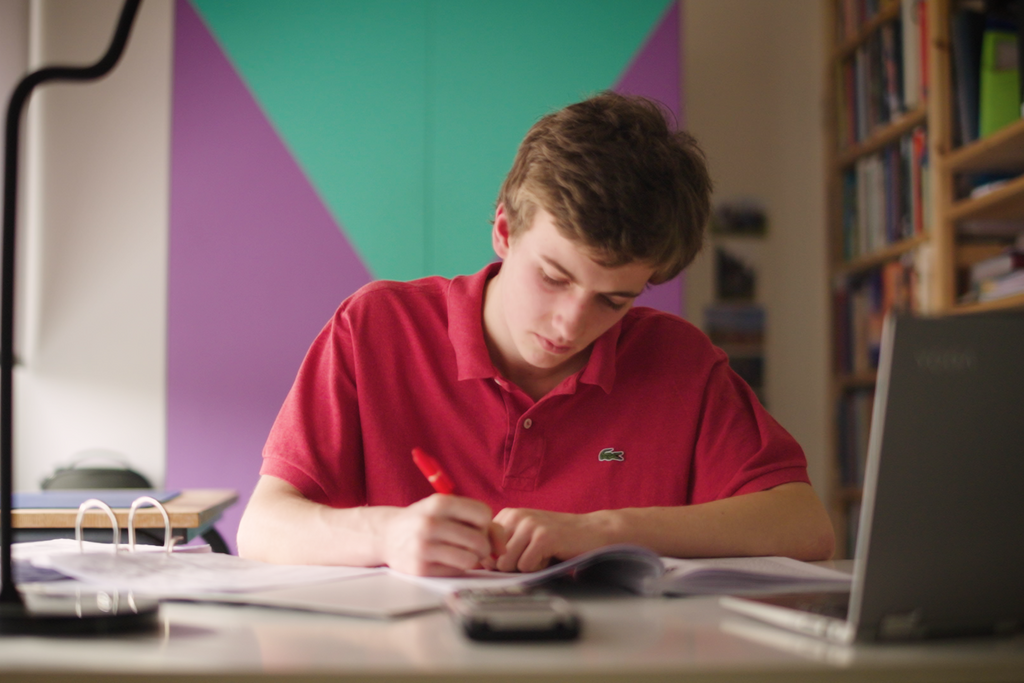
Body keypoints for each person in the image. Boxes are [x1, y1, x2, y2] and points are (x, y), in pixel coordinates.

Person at [237, 92, 835, 576]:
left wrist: (602, 530)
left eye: (613, 300)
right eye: (553, 277)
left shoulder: (681, 362)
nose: (571, 324)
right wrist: (387, 534)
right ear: (504, 229)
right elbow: (262, 528)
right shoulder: (375, 328)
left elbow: (805, 526)